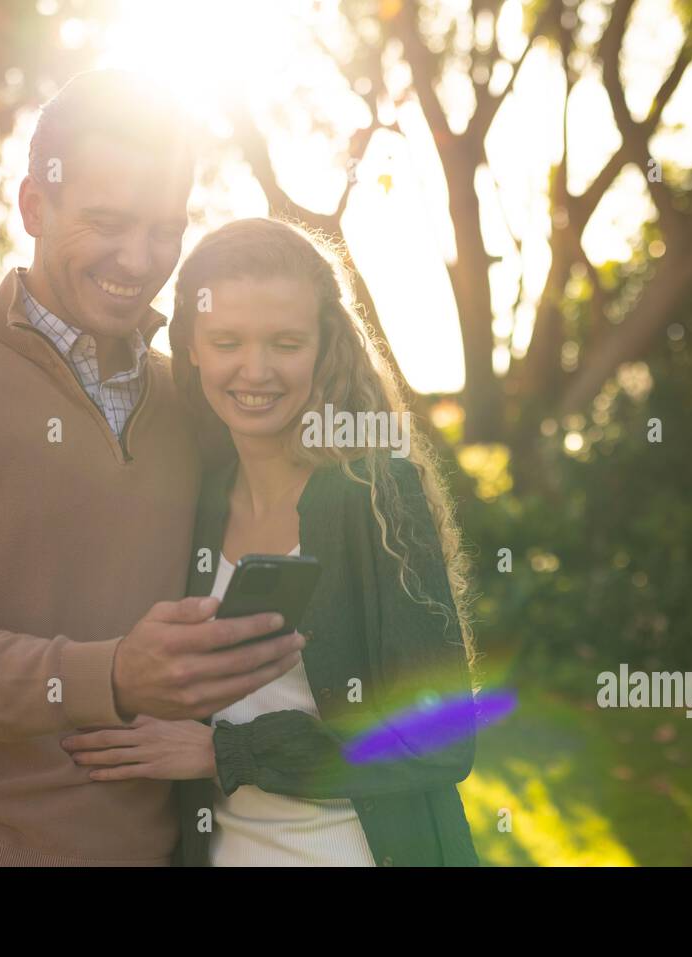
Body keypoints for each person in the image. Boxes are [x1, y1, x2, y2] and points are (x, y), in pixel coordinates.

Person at [0, 70, 303, 866]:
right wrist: (111, 674)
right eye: (108, 222)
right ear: (33, 207)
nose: (140, 257)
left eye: (164, 228)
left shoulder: (191, 398)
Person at [60, 218, 481, 866]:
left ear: (322, 346)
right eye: (227, 340)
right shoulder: (199, 499)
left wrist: (227, 753)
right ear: (192, 346)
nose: (255, 370)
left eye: (286, 342)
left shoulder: (376, 494)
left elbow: (443, 738)